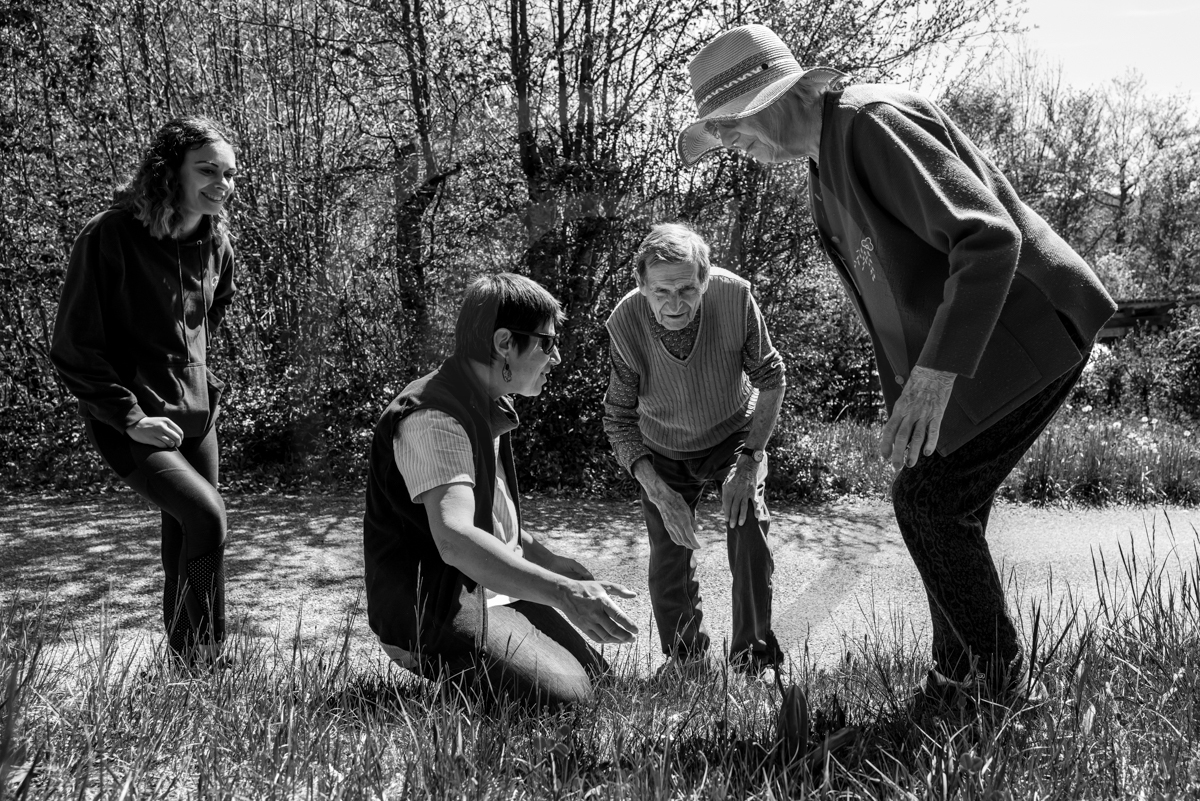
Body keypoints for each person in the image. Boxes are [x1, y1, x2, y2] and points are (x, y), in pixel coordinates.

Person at [678, 24, 1117, 705]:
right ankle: (959, 680)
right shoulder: (825, 171)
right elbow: (893, 304)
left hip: (1030, 325)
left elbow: (988, 236)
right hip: (983, 347)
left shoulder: (868, 123)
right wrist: (909, 405)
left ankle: (990, 689)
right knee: (935, 496)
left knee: (932, 502)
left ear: (778, 95)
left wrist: (936, 376)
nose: (731, 144)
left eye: (730, 124)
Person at [363, 273, 638, 708]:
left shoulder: (484, 403)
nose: (556, 358)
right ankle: (447, 673)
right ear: (505, 342)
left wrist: (554, 565)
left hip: (486, 594)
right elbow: (454, 538)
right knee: (566, 701)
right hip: (434, 610)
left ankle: (491, 670)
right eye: (547, 343)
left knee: (599, 683)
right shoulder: (435, 417)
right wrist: (563, 593)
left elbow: (487, 517)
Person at [51, 117, 239, 665]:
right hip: (130, 421)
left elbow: (212, 312)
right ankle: (205, 658)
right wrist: (131, 415)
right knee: (207, 517)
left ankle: (188, 664)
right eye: (207, 170)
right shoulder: (109, 235)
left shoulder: (215, 241)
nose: (221, 184)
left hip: (197, 418)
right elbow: (74, 347)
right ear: (169, 171)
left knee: (187, 534)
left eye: (229, 174)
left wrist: (198, 376)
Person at [603, 222, 786, 678]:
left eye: (687, 289)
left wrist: (750, 460)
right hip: (661, 446)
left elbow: (772, 379)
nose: (675, 304)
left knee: (748, 525)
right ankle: (687, 662)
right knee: (669, 553)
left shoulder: (734, 297)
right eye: (662, 291)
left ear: (705, 281)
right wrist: (663, 496)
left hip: (733, 438)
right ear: (642, 286)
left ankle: (753, 659)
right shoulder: (626, 323)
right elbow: (619, 419)